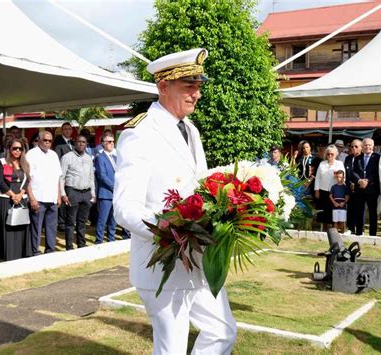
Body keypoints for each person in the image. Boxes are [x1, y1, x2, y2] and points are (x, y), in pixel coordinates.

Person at [113, 48, 237, 354]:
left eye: (198, 86)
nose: (196, 94)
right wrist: (171, 230)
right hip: (163, 262)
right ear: (163, 86)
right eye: (188, 86)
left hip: (197, 259)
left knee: (222, 332)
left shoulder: (190, 130)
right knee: (172, 349)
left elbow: (199, 188)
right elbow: (125, 208)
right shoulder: (140, 133)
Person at [0, 139, 32, 261]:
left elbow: (27, 180)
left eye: (20, 149)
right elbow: (0, 181)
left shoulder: (24, 163)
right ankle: (7, 255)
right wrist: (13, 195)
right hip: (6, 199)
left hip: (21, 199)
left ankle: (21, 254)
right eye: (14, 148)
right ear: (9, 149)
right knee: (8, 228)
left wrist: (21, 194)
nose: (17, 151)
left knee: (20, 226)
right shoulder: (1, 162)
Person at [27, 131, 62, 255]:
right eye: (45, 140)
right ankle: (35, 251)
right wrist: (32, 198)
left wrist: (59, 195)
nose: (47, 143)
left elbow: (57, 177)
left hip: (52, 197)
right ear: (39, 140)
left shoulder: (53, 155)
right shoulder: (31, 154)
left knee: (51, 227)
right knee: (36, 227)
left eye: (50, 141)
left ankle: (50, 250)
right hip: (38, 197)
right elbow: (28, 179)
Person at [61, 135, 96, 250]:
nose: (81, 144)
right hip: (73, 192)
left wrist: (93, 193)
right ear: (74, 142)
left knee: (82, 222)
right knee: (70, 222)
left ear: (86, 144)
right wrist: (63, 193)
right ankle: (69, 247)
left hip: (86, 193)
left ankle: (81, 244)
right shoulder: (67, 157)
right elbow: (62, 177)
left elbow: (91, 177)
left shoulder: (88, 158)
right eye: (79, 141)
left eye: (84, 142)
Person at [352, 138, 380, 236]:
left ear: (373, 146)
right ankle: (359, 232)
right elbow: (354, 172)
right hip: (359, 189)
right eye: (365, 145)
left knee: (372, 212)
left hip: (372, 189)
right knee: (359, 211)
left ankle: (373, 234)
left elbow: (377, 172)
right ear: (362, 146)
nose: (367, 147)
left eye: (369, 145)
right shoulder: (357, 158)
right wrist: (359, 180)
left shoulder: (377, 157)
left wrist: (367, 181)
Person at [314, 144, 345, 230]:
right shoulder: (322, 164)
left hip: (335, 192)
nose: (330, 156)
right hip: (323, 190)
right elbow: (318, 178)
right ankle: (323, 230)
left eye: (332, 154)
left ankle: (334, 230)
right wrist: (316, 190)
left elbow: (343, 178)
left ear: (336, 155)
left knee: (333, 213)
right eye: (328, 154)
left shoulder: (339, 164)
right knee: (323, 212)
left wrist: (338, 177)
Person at [95, 133, 118, 243]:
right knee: (102, 219)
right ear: (103, 143)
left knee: (113, 219)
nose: (112, 143)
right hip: (106, 193)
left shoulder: (115, 157)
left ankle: (111, 239)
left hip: (116, 194)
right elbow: (102, 176)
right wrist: (114, 187)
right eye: (109, 142)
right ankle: (99, 240)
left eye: (113, 141)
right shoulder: (100, 158)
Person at [54, 122, 75, 231]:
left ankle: (67, 221)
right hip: (63, 177)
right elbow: (57, 160)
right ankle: (61, 223)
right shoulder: (59, 144)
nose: (67, 131)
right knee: (62, 199)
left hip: (72, 177)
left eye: (69, 129)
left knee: (69, 200)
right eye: (65, 129)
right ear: (62, 131)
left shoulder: (73, 142)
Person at [344, 139, 362, 234]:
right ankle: (350, 228)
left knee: (359, 209)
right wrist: (349, 183)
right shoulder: (348, 158)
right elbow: (346, 174)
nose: (353, 148)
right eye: (352, 146)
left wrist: (356, 183)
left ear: (361, 147)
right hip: (349, 187)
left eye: (356, 146)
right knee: (350, 209)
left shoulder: (363, 158)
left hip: (360, 188)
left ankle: (359, 230)